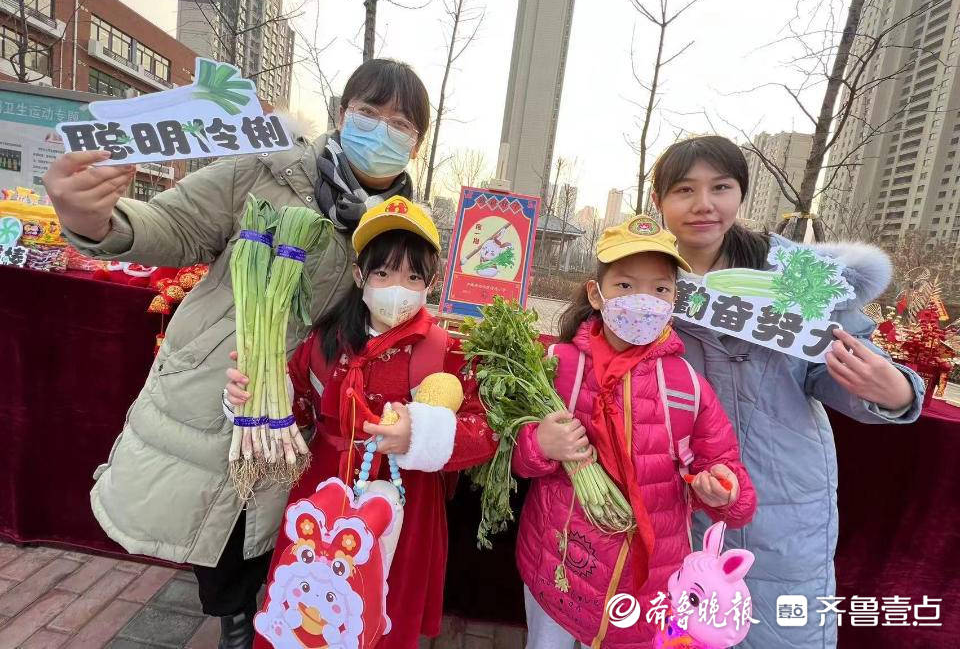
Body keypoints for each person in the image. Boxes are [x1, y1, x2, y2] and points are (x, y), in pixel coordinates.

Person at [42, 58, 432, 648]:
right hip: (217, 390)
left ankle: (259, 621)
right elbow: (174, 226)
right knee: (222, 535)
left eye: (400, 123)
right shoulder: (265, 172)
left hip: (308, 415)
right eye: (368, 113)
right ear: (341, 114)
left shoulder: (404, 228)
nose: (381, 131)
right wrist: (94, 218)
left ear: (417, 143)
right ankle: (235, 622)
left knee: (283, 538)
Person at [649, 135, 925, 648]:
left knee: (779, 631)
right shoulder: (641, 275)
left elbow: (840, 366)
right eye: (684, 189)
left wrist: (893, 392)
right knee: (678, 627)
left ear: (742, 194)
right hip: (670, 498)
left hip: (780, 498)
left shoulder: (795, 275)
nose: (704, 204)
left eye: (721, 187)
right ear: (659, 202)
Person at [225, 196, 497, 649]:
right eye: (384, 273)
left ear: (430, 283)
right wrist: (252, 397)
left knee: (380, 615)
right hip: (323, 493)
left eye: (413, 276)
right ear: (360, 276)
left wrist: (422, 435)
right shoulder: (325, 340)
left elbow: (484, 431)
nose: (398, 287)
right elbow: (299, 410)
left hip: (402, 509)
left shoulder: (446, 351)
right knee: (306, 613)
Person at [512, 216, 758, 648]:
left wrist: (723, 489)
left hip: (647, 581)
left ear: (673, 299)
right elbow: (511, 456)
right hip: (560, 561)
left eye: (660, 289)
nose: (643, 300)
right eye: (625, 286)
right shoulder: (556, 365)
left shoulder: (686, 386)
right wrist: (539, 444)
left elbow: (730, 481)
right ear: (596, 292)